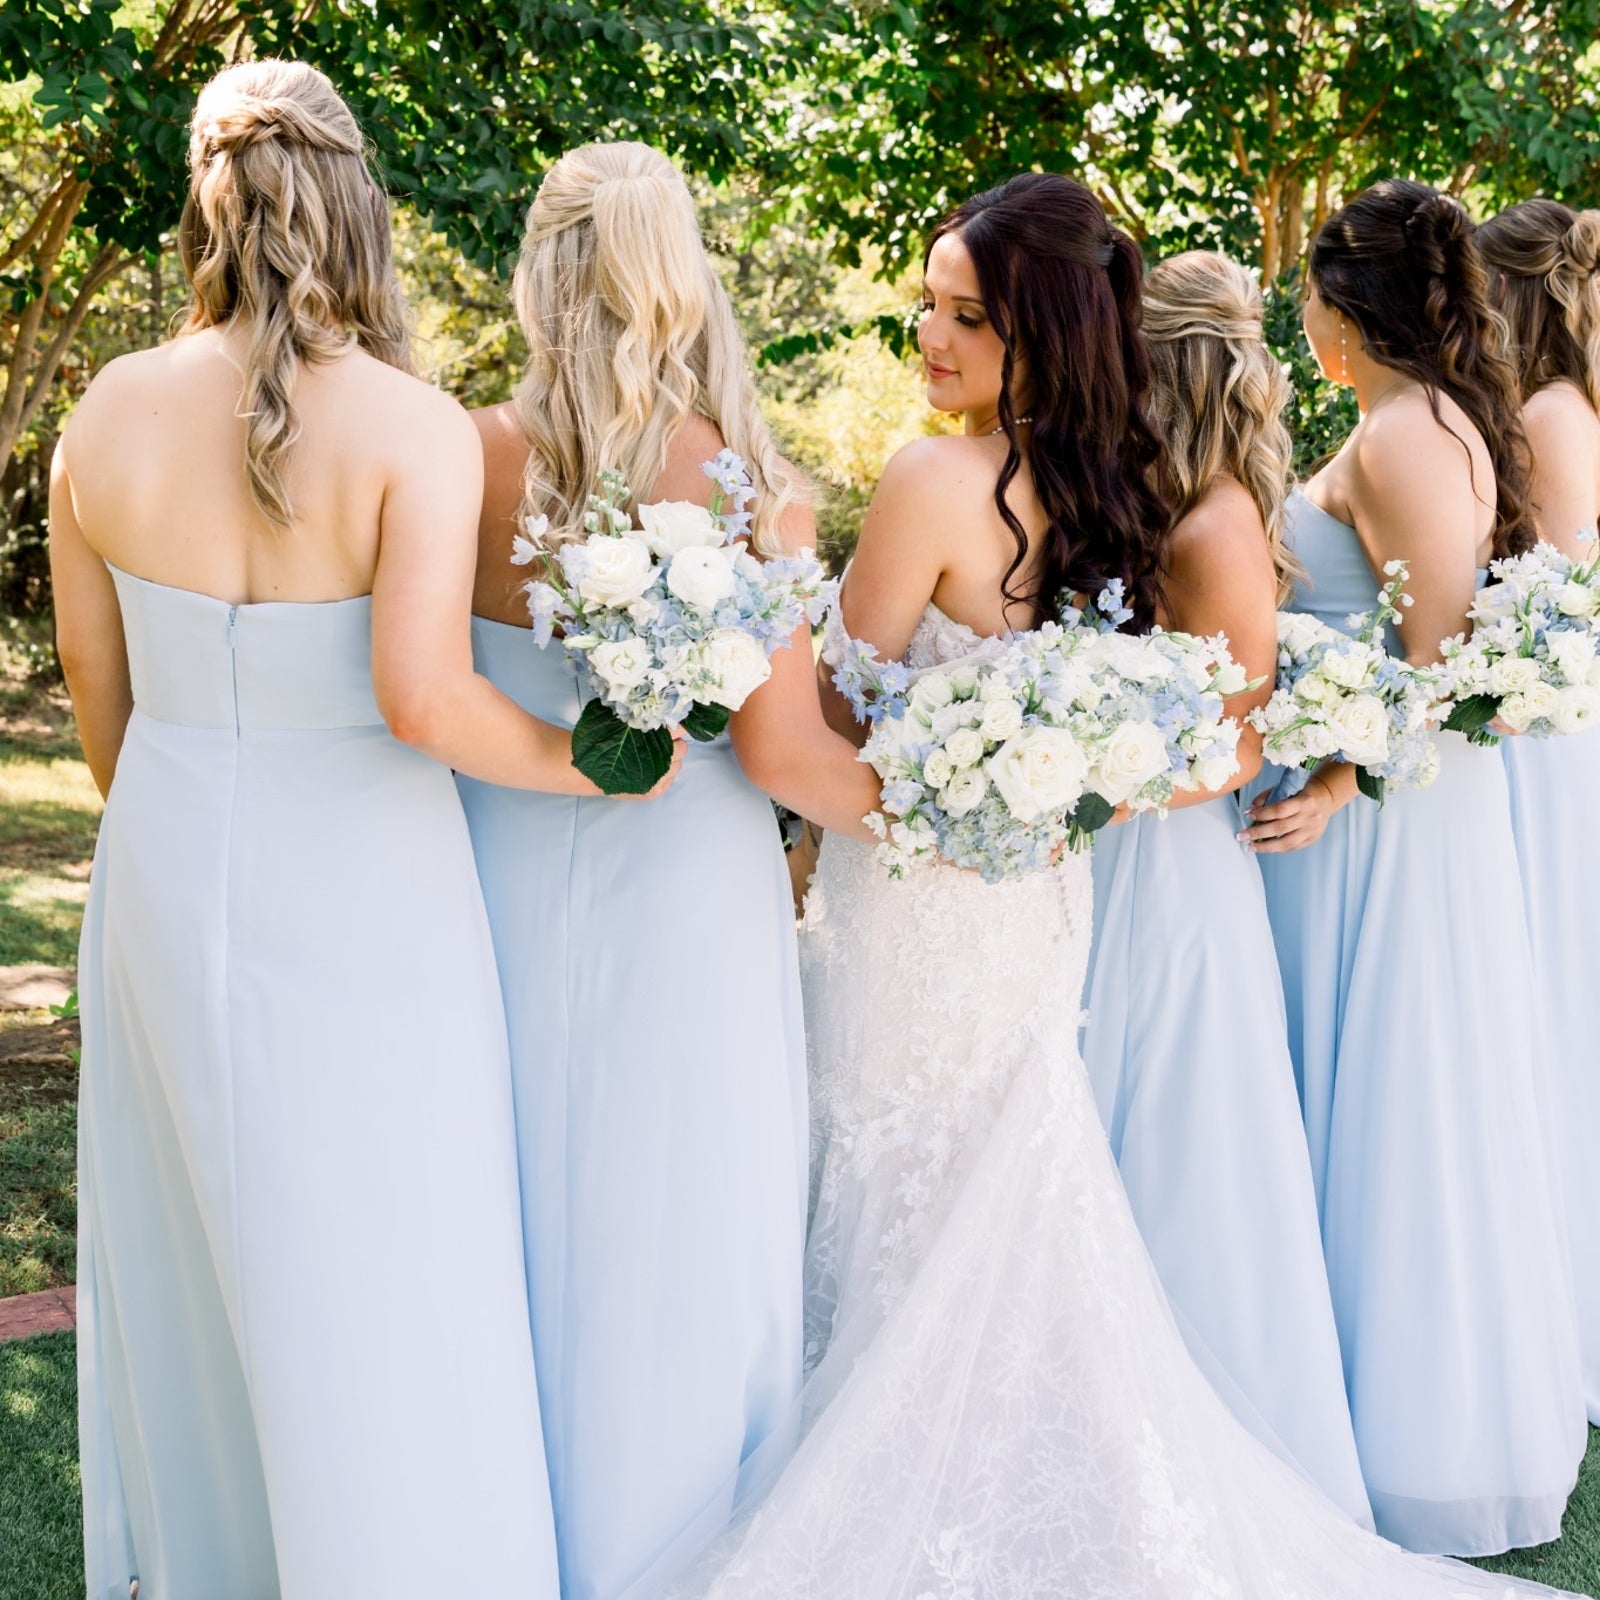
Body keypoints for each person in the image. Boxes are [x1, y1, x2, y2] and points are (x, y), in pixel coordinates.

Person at [636, 171, 1580, 1600]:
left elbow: (829, 709)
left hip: (924, 898)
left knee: (894, 1171)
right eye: (928, 308)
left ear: (1042, 330)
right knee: (1001, 1177)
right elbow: (1178, 725)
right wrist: (1037, 789)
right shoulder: (1125, 487)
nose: (929, 339)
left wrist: (837, 686)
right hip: (1034, 903)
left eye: (965, 317)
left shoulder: (932, 479)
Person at [51, 60, 624, 1600]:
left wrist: (174, 820)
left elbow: (100, 695)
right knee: (391, 1237)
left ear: (202, 205)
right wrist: (593, 769)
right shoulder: (413, 426)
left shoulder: (103, 411)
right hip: (370, 877)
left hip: (166, 853)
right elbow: (425, 699)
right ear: (356, 203)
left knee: (187, 1242)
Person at [456, 141, 879, 1600]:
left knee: (510, 1180)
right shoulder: (745, 482)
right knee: (680, 1195)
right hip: (689, 877)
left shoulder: (458, 456)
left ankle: (505, 1530)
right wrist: (935, 811)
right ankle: (685, 1535)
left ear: (541, 271)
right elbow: (783, 745)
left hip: (497, 856)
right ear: (679, 274)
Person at [1243, 179, 1585, 1555]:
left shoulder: (1407, 438)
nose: (1304, 323)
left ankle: (1415, 1438)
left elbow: (1440, 665)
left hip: (1386, 823)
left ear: (1346, 306)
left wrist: (1337, 774)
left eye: (1309, 300)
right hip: (1378, 808)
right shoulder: (1417, 420)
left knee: (1400, 1087)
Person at [1081, 250, 1369, 1525]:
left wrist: (1087, 785)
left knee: (1176, 1139)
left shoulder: (1216, 524)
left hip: (1166, 860)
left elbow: (1236, 743)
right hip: (1117, 846)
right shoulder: (1149, 497)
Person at [1477, 196, 1600, 1424]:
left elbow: (1547, 611)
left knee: (1547, 981)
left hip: (1539, 734)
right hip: (1534, 726)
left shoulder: (1553, 415)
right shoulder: (1544, 408)